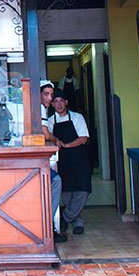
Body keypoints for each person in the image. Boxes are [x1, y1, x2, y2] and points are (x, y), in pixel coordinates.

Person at [47, 89, 91, 235]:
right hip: (62, 160)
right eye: (56, 102)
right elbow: (49, 138)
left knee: (83, 190)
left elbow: (83, 138)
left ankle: (65, 218)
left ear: (66, 102)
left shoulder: (77, 117)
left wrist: (67, 145)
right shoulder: (50, 121)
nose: (59, 104)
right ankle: (77, 221)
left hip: (79, 157)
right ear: (52, 104)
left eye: (61, 101)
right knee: (67, 192)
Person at [40, 80, 67, 243]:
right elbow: (44, 134)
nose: (50, 98)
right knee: (55, 181)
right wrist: (55, 138)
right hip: (30, 163)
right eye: (46, 94)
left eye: (52, 94)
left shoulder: (41, 109)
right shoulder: (40, 108)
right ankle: (48, 226)